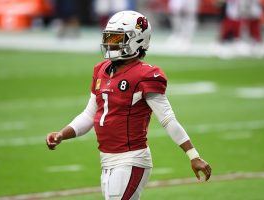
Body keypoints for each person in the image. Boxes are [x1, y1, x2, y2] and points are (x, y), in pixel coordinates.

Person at [46, 10, 212, 200]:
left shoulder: (145, 75)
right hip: (107, 159)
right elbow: (89, 114)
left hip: (131, 158)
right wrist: (62, 134)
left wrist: (193, 155)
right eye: (109, 37)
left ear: (138, 40)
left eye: (117, 38)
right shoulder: (101, 70)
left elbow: (167, 119)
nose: (111, 43)